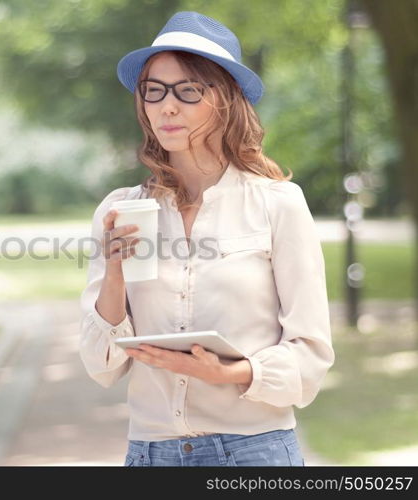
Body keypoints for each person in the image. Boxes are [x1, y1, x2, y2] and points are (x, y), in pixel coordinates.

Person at [78, 11, 335, 467]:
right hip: (151, 454)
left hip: (255, 452)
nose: (167, 107)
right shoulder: (121, 210)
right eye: (153, 91)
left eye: (187, 90)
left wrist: (228, 372)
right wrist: (114, 274)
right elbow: (103, 366)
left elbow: (311, 354)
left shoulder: (278, 205)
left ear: (226, 100)